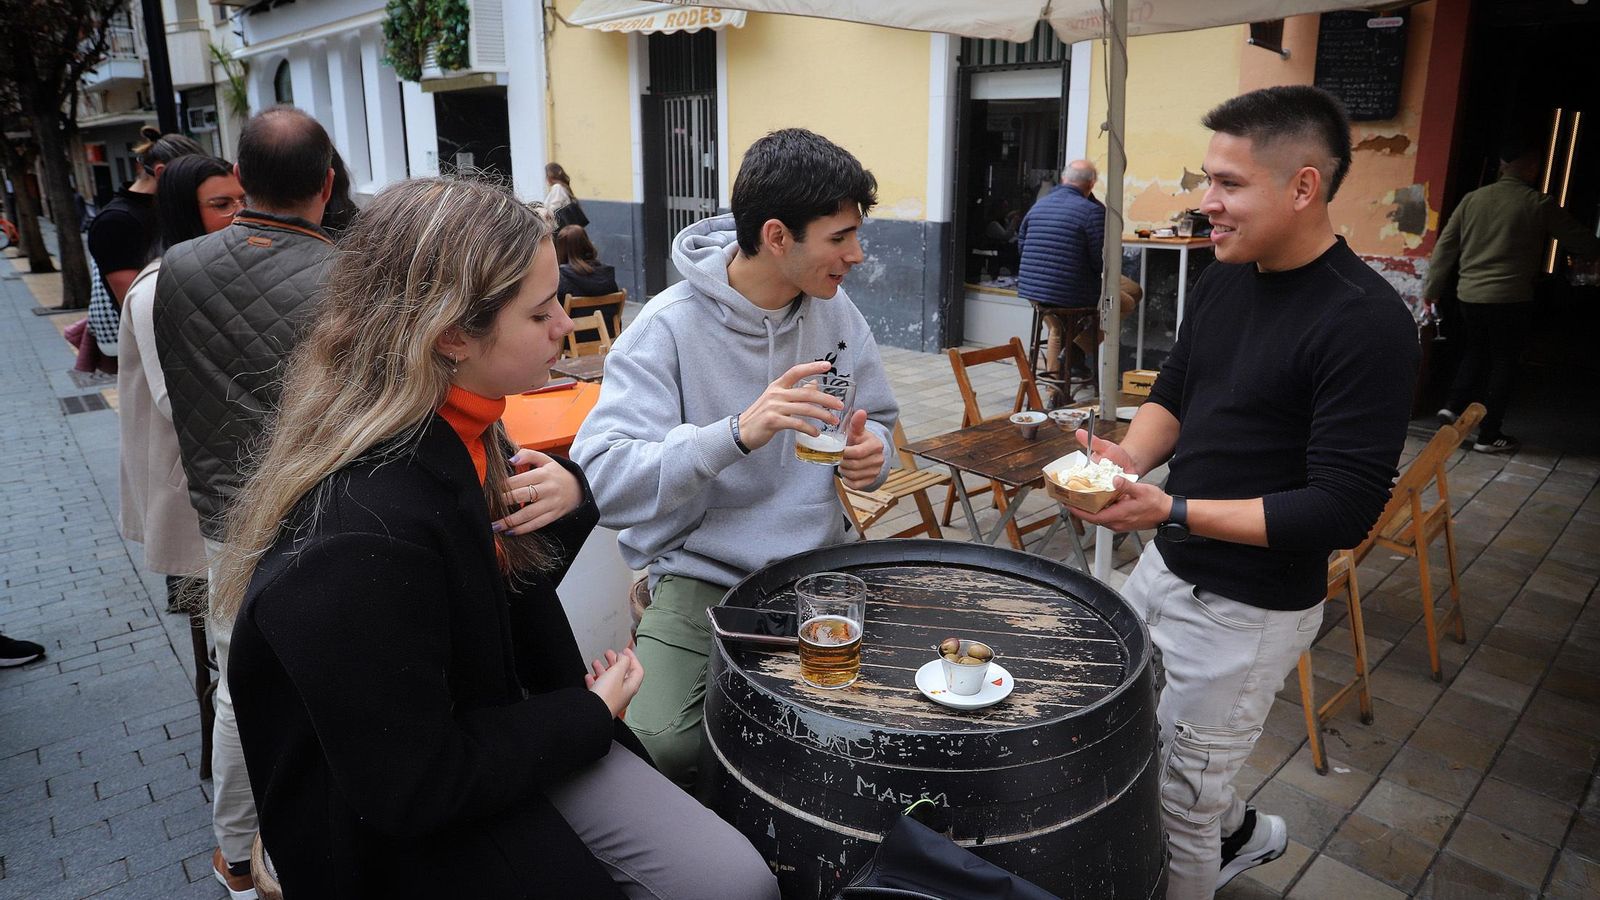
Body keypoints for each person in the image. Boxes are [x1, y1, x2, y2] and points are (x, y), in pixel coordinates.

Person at [214, 176, 778, 899]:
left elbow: (491, 576)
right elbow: (411, 787)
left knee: (735, 878)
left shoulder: (457, 427)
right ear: (452, 335)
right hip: (398, 834)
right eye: (541, 311)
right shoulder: (362, 538)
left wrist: (579, 489)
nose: (566, 327)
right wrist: (588, 710)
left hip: (490, 742)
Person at [1072, 86, 1418, 898]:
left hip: (1248, 609)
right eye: (1206, 178)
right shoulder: (1227, 273)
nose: (1206, 202)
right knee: (1125, 744)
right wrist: (1126, 458)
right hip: (1166, 564)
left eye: (1227, 183)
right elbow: (1178, 393)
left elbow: (1342, 507)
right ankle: (1245, 832)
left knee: (1175, 806)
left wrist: (1175, 509)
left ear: (1302, 187)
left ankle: (1219, 840)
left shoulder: (1365, 322)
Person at [572, 127, 898, 789]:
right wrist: (735, 435)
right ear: (778, 236)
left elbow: (884, 423)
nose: (857, 255)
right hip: (705, 573)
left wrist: (874, 454)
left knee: (877, 729)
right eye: (840, 238)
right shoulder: (667, 327)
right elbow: (601, 480)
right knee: (656, 743)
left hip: (820, 564)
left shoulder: (841, 317)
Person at [153, 105, 337, 900]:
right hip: (321, 510)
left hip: (226, 515)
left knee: (239, 682)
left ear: (242, 177)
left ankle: (233, 853)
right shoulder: (347, 279)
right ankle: (314, 832)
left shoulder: (178, 270)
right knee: (329, 674)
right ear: (327, 186)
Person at [118, 155, 245, 617]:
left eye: (241, 199)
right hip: (194, 478)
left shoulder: (227, 271)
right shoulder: (157, 286)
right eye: (220, 203)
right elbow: (173, 400)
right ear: (185, 211)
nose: (237, 212)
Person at [1424, 143, 1600, 453]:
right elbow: (1581, 240)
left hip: (1470, 297)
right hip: (1511, 298)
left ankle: (1452, 407)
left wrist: (1431, 291)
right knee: (1503, 361)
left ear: (1502, 165)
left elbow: (1445, 249)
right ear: (1531, 168)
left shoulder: (1472, 200)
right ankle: (1490, 435)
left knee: (1475, 351)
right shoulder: (1537, 203)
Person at [1016, 160, 1140, 389]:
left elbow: (1022, 245)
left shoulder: (1039, 205)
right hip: (1072, 290)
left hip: (1033, 289)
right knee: (1126, 302)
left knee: (1133, 288)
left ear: (1064, 179)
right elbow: (1100, 260)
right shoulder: (1092, 212)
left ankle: (1067, 361)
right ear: (1091, 183)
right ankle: (1074, 353)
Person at [87, 128, 204, 305]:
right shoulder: (114, 223)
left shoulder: (166, 207)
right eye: (192, 179)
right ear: (161, 172)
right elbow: (134, 301)